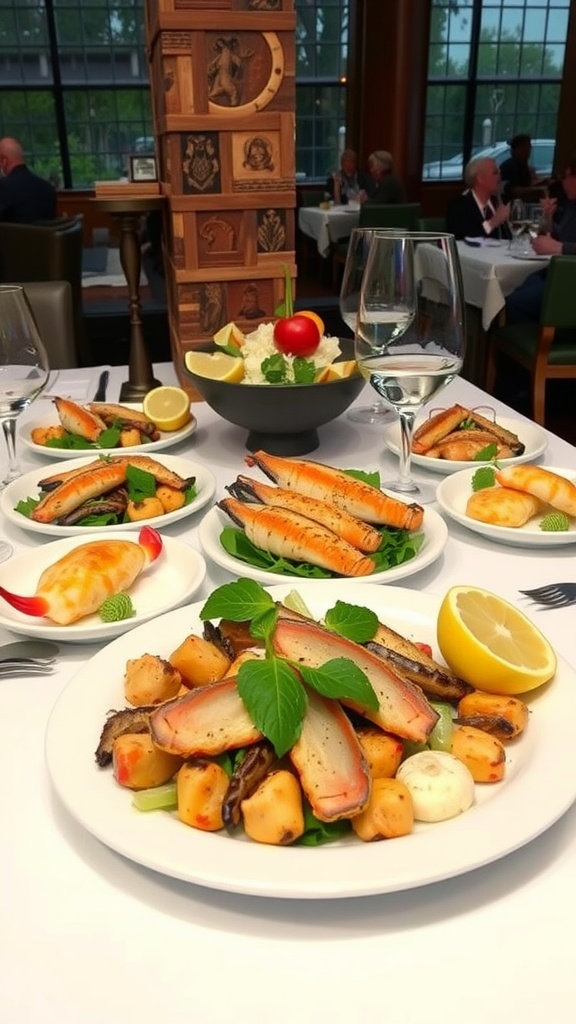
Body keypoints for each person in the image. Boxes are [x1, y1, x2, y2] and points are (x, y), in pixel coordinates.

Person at [505, 152, 576, 324]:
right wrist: (547, 218)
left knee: (516, 303)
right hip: (557, 272)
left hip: (569, 281)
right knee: (515, 291)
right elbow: (562, 234)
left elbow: (561, 244)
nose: (563, 183)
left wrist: (560, 248)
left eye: (566, 177)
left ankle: (539, 346)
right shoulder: (572, 205)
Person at [446, 156, 511, 240]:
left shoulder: (500, 201)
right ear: (480, 178)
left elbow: (510, 237)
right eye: (495, 173)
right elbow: (466, 237)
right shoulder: (459, 205)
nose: (500, 176)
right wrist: (494, 221)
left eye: (499, 172)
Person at [0, 137, 57, 223]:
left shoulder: (4, 187)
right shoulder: (48, 188)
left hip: (15, 236)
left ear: (4, 160)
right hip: (44, 236)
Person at [499, 133, 548, 202]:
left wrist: (544, 183)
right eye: (526, 147)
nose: (529, 150)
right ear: (517, 149)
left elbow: (526, 184)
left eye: (529, 147)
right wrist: (538, 189)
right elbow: (513, 191)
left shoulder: (523, 165)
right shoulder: (510, 166)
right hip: (513, 206)